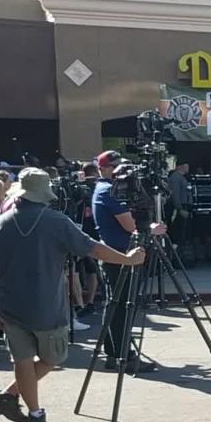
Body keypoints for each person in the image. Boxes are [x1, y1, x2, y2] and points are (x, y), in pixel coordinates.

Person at [0, 169, 146, 422]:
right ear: (44, 194)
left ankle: (32, 412)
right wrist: (129, 259)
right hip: (46, 304)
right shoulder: (56, 221)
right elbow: (92, 247)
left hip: (10, 304)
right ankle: (11, 395)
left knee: (22, 359)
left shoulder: (0, 223)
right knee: (53, 356)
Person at [90, 152, 164, 372]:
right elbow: (130, 226)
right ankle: (124, 356)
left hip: (118, 254)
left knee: (116, 304)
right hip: (121, 256)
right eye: (115, 167)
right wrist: (152, 228)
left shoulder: (108, 189)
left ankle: (115, 353)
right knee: (123, 306)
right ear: (103, 169)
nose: (120, 171)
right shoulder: (109, 191)